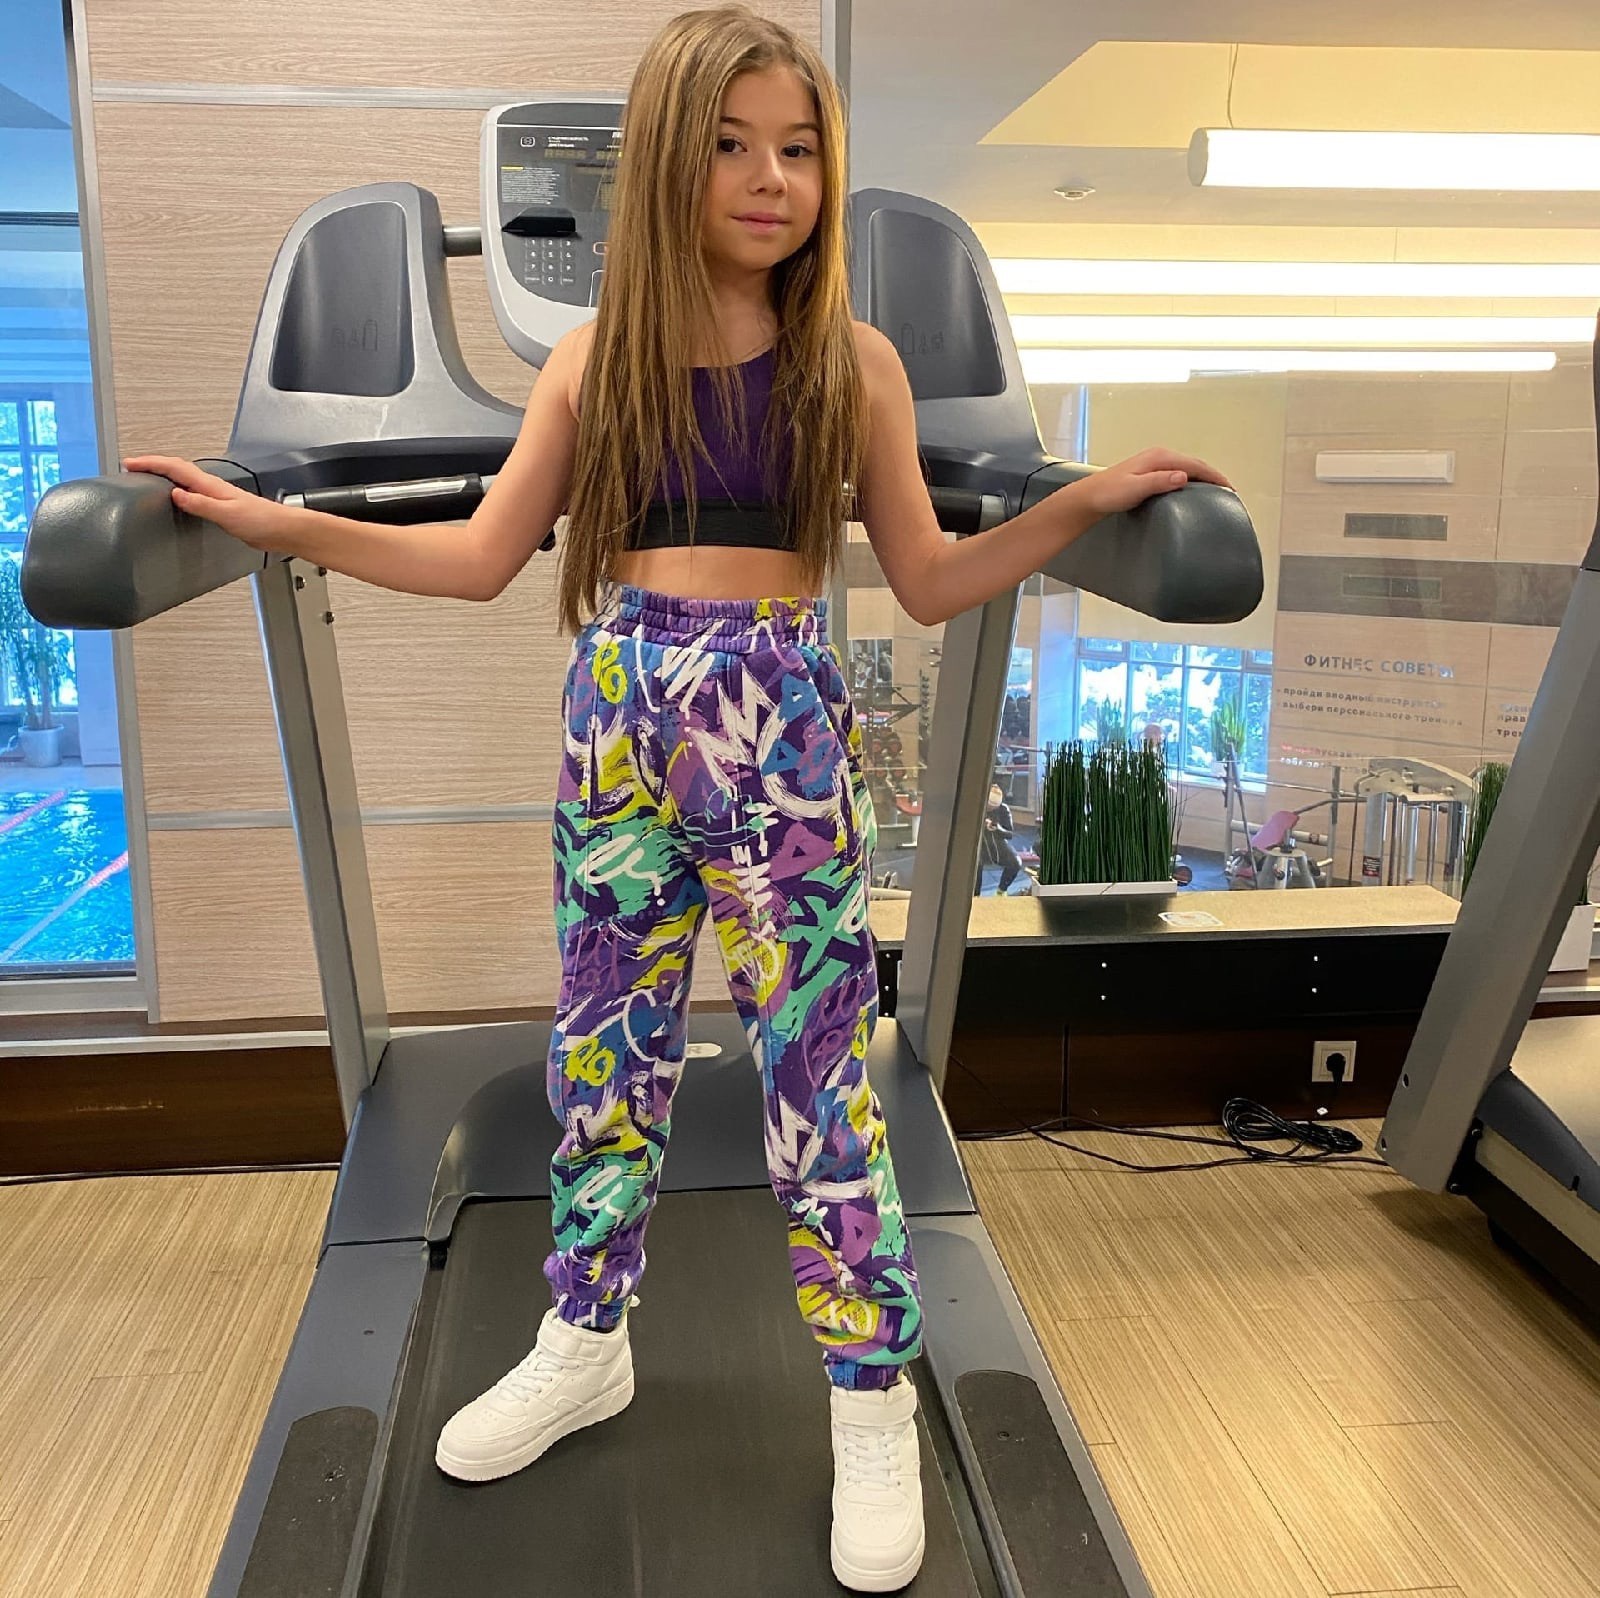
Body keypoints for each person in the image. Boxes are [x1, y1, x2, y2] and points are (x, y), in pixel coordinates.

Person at [122, 8, 1229, 1588]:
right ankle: (586, 1337)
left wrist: (1080, 504)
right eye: (731, 145)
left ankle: (869, 1392)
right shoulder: (597, 361)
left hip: (774, 724)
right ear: (663, 164)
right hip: (618, 723)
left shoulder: (853, 363)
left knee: (816, 1071)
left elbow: (927, 578)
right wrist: (276, 525)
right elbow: (477, 556)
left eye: (798, 148)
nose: (771, 176)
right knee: (604, 1051)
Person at [978, 782, 1023, 895]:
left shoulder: (1003, 809)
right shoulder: (977, 806)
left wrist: (998, 829)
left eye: (994, 807)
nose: (991, 809)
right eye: (989, 807)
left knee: (1016, 863)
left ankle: (1001, 890)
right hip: (978, 843)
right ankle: (974, 895)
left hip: (997, 842)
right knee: (975, 866)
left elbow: (1010, 834)